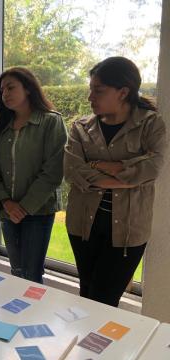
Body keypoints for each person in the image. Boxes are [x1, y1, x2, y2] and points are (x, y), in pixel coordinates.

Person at [64, 56, 166, 307]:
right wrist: (129, 175)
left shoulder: (150, 124)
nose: (90, 97)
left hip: (128, 232)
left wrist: (95, 167)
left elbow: (152, 168)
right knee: (87, 293)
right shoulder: (80, 127)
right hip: (82, 225)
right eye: (91, 89)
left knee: (103, 300)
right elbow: (72, 171)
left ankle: (97, 344)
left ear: (123, 92)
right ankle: (88, 344)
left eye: (98, 90)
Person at [0, 68, 67, 283]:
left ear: (29, 89)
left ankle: (33, 317)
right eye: (2, 90)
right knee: (16, 271)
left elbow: (53, 171)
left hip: (38, 212)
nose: (5, 94)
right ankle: (16, 315)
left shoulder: (51, 122)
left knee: (31, 274)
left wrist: (23, 207)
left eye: (11, 87)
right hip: (7, 211)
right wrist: (5, 202)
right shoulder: (0, 126)